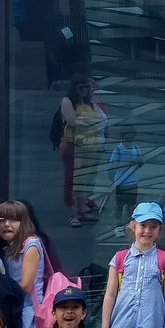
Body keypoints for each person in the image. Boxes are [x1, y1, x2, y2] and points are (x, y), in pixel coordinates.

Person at [101, 202, 165, 328]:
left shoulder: (164, 258)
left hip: (152, 321)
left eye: (153, 226)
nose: (147, 231)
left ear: (159, 230)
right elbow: (110, 295)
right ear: (133, 226)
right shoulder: (120, 258)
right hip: (121, 321)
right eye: (143, 225)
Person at [59, 74, 109, 227]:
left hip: (89, 144)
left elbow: (101, 120)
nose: (84, 90)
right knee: (72, 179)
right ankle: (73, 213)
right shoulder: (67, 101)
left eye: (87, 87)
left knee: (84, 179)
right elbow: (72, 122)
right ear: (74, 88)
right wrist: (89, 122)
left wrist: (86, 121)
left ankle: (81, 210)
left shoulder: (89, 102)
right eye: (81, 87)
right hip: (73, 143)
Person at [0, 200, 46, 328]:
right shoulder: (7, 247)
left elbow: (26, 286)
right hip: (15, 307)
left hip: (29, 309)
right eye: (1, 220)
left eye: (13, 220)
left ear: (24, 222)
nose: (6, 224)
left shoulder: (31, 244)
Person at [108, 125, 144, 225]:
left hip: (133, 182)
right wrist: (127, 162)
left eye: (132, 138)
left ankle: (131, 224)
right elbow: (112, 165)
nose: (130, 141)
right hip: (121, 182)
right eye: (128, 138)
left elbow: (141, 162)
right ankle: (118, 225)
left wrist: (138, 161)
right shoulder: (118, 150)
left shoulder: (136, 148)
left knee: (131, 205)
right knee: (119, 206)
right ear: (123, 137)